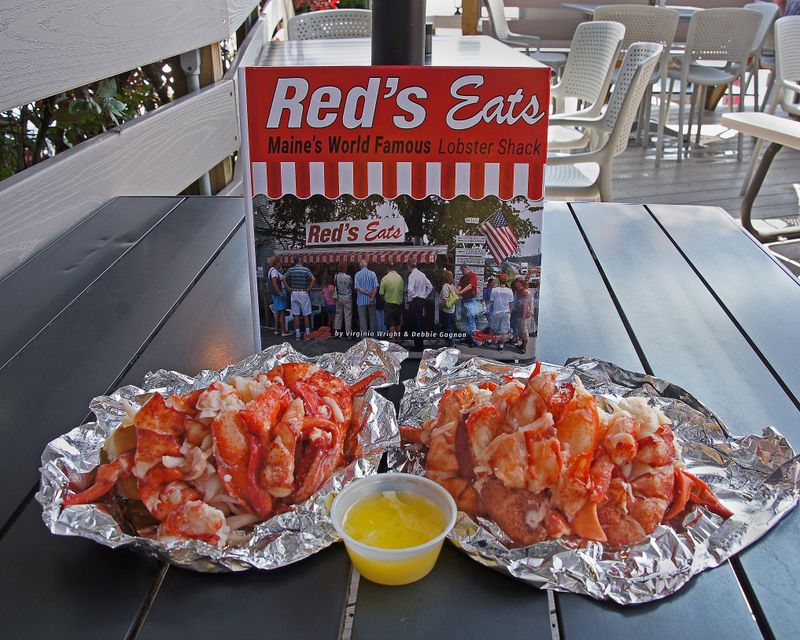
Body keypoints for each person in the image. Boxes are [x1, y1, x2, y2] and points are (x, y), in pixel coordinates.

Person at [282, 255, 315, 340]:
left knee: (296, 314)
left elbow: (283, 278)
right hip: (303, 292)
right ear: (300, 260)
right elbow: (313, 279)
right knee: (306, 314)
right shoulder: (306, 270)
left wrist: (288, 287)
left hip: (294, 293)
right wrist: (309, 288)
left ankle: (297, 334)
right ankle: (307, 335)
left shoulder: (291, 270)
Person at [407, 260, 433, 351]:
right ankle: (420, 344)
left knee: (415, 324)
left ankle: (417, 346)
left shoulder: (412, 276)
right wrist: (424, 296)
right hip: (421, 301)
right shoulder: (422, 275)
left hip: (415, 301)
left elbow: (410, 289)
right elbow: (430, 286)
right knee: (420, 323)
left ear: (409, 266)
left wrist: (413, 297)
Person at [379, 262, 405, 338]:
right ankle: (398, 339)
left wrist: (385, 299)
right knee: (398, 323)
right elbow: (402, 290)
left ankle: (393, 341)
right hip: (399, 303)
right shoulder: (400, 278)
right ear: (394, 268)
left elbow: (381, 293)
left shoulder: (385, 278)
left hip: (389, 304)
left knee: (391, 324)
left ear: (387, 269)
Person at [456, 264, 479, 346]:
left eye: (463, 270)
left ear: (466, 268)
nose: (462, 272)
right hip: (464, 300)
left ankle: (474, 340)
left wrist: (461, 292)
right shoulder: (462, 278)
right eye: (461, 270)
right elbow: (460, 286)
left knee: (471, 319)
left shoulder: (473, 276)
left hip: (471, 300)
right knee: (465, 320)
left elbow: (470, 286)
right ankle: (468, 338)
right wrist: (456, 291)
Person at [489, 274, 514, 351]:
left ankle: (489, 340)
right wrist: (510, 313)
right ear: (506, 281)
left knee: (492, 327)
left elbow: (492, 302)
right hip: (506, 312)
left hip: (496, 312)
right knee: (504, 331)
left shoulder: (494, 290)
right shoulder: (509, 291)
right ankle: (501, 346)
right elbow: (510, 304)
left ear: (499, 281)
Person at [354, 259, 379, 337]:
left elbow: (357, 287)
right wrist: (371, 297)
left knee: (363, 322)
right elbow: (376, 286)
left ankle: (364, 339)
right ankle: (373, 338)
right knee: (372, 321)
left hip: (361, 302)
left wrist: (366, 293)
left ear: (360, 266)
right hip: (371, 301)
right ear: (367, 265)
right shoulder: (372, 274)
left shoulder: (357, 274)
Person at [268, 256, 290, 337]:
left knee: (277, 311)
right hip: (279, 293)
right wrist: (280, 293)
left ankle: (276, 329)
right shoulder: (274, 271)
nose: (281, 263)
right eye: (279, 262)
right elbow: (275, 283)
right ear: (276, 263)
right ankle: (283, 331)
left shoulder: (272, 270)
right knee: (282, 311)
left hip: (276, 293)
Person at [511, 276, 532, 355]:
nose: (516, 283)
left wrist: (524, 315)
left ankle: (524, 348)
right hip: (518, 313)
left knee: (524, 330)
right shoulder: (518, 291)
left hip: (523, 314)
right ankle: (522, 345)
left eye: (517, 282)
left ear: (520, 283)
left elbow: (526, 304)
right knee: (520, 330)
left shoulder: (525, 292)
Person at [333, 261, 353, 339]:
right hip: (347, 297)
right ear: (346, 267)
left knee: (338, 315)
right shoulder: (348, 277)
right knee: (347, 316)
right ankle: (348, 335)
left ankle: (336, 333)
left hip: (339, 297)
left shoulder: (336, 276)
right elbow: (350, 286)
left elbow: (335, 286)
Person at [439, 268, 458, 347]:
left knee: (447, 328)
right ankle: (452, 342)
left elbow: (445, 300)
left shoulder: (445, 287)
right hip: (452, 310)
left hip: (446, 310)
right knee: (451, 327)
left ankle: (451, 343)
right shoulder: (452, 286)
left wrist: (440, 306)